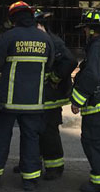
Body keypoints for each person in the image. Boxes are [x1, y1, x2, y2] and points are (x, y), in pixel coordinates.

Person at [0, 1, 54, 191]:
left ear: (13, 19)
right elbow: (49, 66)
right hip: (34, 102)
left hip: (7, 101)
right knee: (31, 140)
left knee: (1, 138)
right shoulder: (45, 39)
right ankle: (30, 180)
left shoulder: (8, 37)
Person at [70, 9, 100, 192]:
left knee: (95, 142)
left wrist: (77, 100)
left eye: (86, 28)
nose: (84, 32)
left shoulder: (98, 47)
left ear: (91, 30)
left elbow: (91, 76)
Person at [31, 9, 77, 180]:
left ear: (39, 24)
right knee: (36, 131)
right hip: (41, 95)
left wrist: (55, 78)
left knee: (48, 132)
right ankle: (31, 163)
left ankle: (55, 168)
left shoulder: (53, 41)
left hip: (52, 95)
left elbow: (70, 61)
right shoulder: (41, 40)